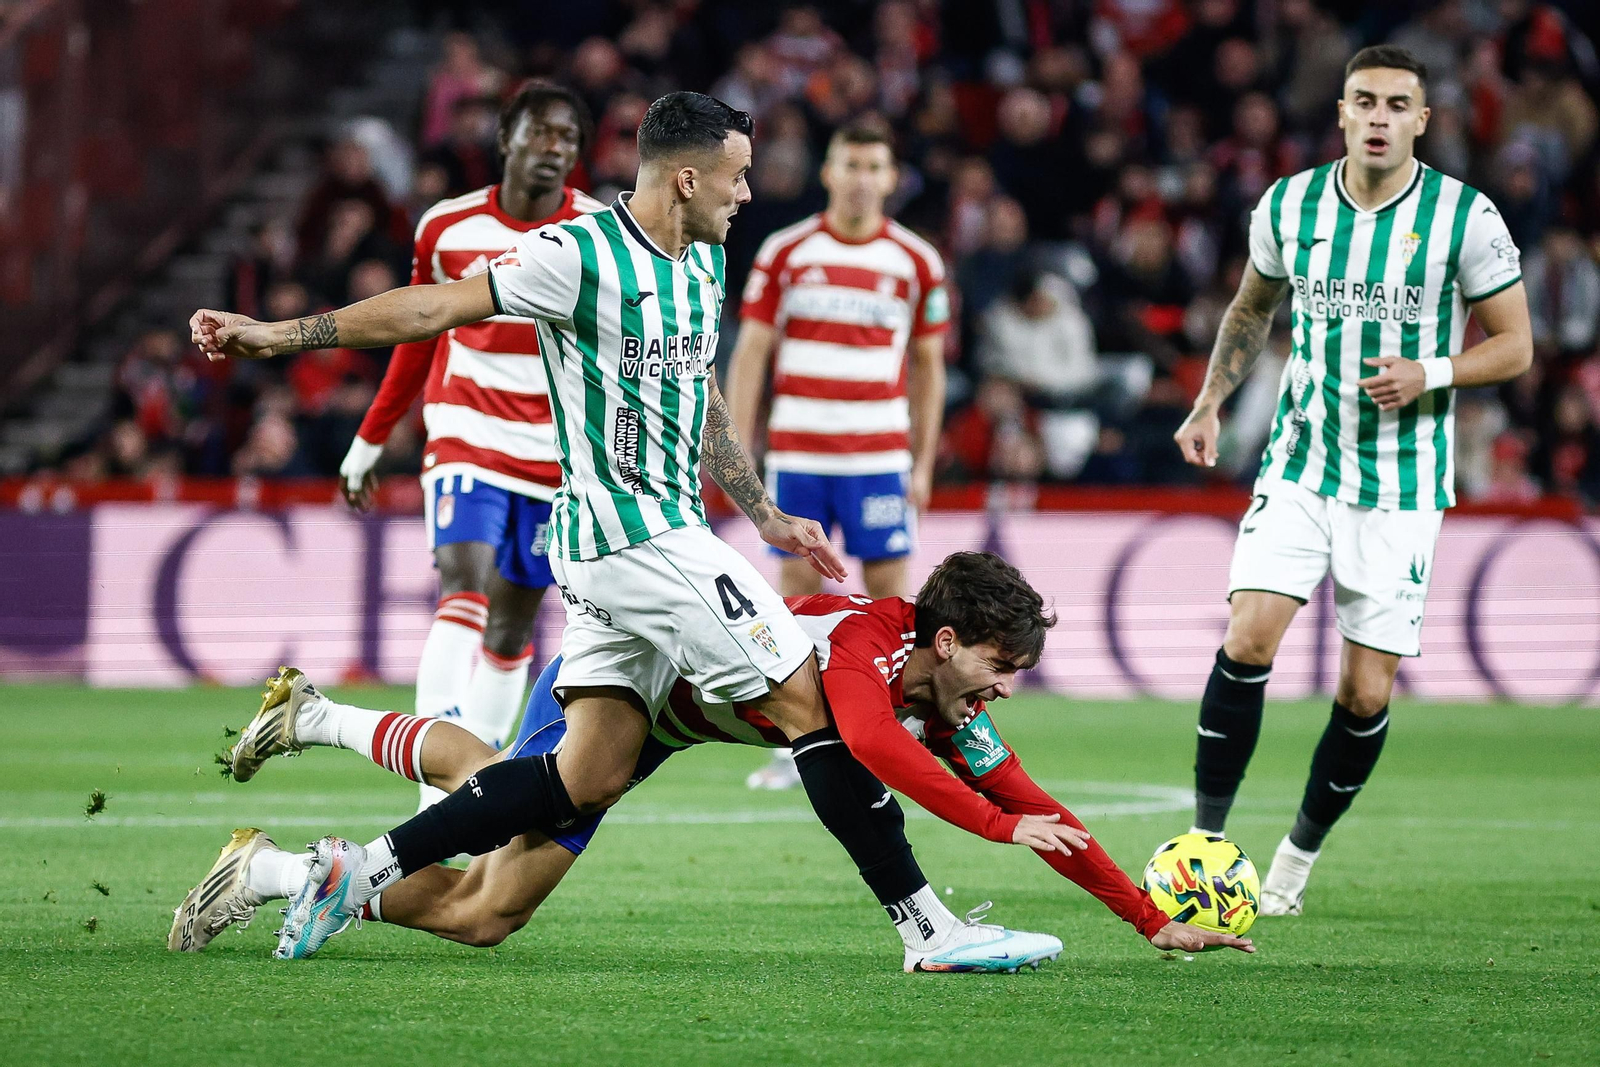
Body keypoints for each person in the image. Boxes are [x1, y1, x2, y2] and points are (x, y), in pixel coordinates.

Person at [190, 92, 1088, 965]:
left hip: (660, 540)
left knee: (576, 788)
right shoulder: (575, 256)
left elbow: (698, 400)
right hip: (628, 539)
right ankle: (930, 929)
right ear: (688, 178)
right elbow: (431, 307)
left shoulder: (703, 261)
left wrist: (765, 510)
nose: (748, 192)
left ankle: (337, 870)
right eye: (735, 176)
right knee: (809, 700)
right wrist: (277, 336)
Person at [171, 553, 1251, 967]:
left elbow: (1033, 798)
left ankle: (300, 766)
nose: (1005, 684)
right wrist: (992, 828)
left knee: (487, 908)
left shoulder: (945, 694)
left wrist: (1149, 917)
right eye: (999, 662)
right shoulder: (870, 645)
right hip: (638, 683)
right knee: (505, 802)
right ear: (943, 638)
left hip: (673, 724)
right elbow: (865, 744)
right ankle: (287, 859)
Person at [1171, 45, 1532, 915]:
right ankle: (1206, 845)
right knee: (1249, 638)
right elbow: (1253, 308)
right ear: (1340, 112)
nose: (1378, 117)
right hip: (1301, 461)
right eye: (1363, 101)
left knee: (1365, 690)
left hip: (1403, 486)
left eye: (1395, 104)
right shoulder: (1290, 205)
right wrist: (1209, 402)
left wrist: (1432, 373)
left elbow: (1516, 344)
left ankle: (1294, 862)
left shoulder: (1464, 217)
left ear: (1421, 120)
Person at [336, 83, 603, 806]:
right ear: (506, 139)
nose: (554, 149)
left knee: (515, 622)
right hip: (467, 435)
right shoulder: (446, 227)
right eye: (541, 133)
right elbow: (414, 332)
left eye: (568, 139)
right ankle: (432, 782)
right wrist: (371, 436)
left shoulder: (597, 231)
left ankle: (472, 789)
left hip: (555, 459)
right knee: (464, 583)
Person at [724, 119, 948, 790]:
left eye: (872, 165)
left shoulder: (916, 261)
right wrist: (738, 451)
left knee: (891, 600)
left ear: (889, 178)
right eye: (848, 163)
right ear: (827, 171)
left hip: (879, 456)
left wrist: (924, 460)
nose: (859, 177)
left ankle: (893, 727)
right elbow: (752, 353)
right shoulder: (786, 251)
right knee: (796, 601)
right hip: (799, 450)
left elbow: (929, 367)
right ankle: (802, 741)